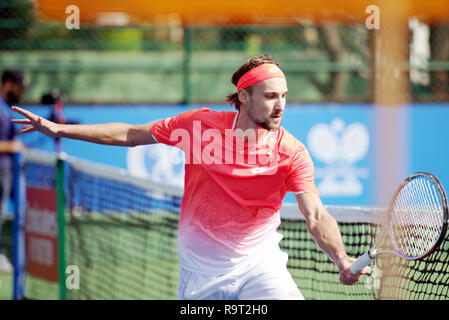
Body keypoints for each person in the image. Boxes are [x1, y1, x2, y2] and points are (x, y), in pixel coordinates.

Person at [11, 55, 366, 299]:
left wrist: (341, 258)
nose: (281, 105)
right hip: (201, 274)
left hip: (261, 266)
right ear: (243, 95)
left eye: (284, 96)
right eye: (271, 96)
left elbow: (315, 214)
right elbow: (132, 134)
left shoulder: (292, 152)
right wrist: (59, 129)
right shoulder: (199, 127)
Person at [0, 70, 25, 272]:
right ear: (8, 83)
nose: (22, 92)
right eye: (19, 87)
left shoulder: (8, 109)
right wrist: (12, 147)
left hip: (11, 170)